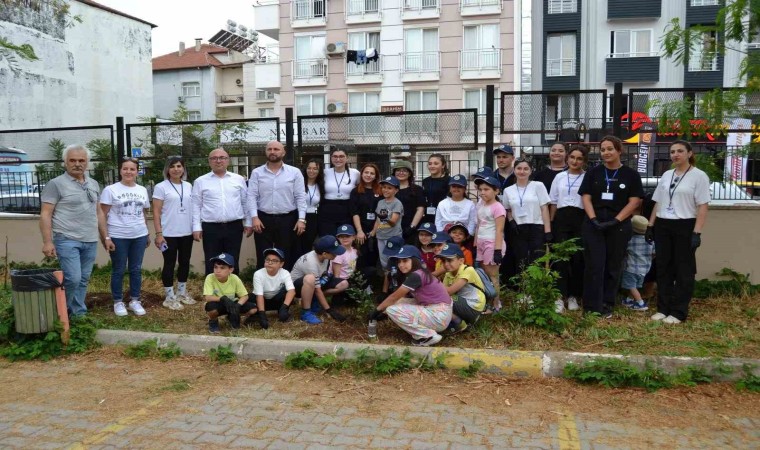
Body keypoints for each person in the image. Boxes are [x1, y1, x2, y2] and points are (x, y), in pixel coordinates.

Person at [578, 135, 643, 318]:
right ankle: (592, 305)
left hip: (618, 225)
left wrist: (616, 221)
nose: (606, 152)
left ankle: (607, 303)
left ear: (619, 150)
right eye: (603, 149)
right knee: (594, 264)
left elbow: (634, 201)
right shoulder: (593, 172)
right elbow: (586, 197)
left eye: (610, 149)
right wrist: (593, 219)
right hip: (594, 224)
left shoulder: (631, 175)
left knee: (613, 265)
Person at [39, 144, 107, 317]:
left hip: (90, 239)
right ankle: (60, 313)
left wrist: (105, 237)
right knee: (73, 278)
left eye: (81, 160)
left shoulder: (93, 183)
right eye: (73, 160)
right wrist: (47, 242)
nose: (77, 164)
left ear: (87, 162)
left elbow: (99, 212)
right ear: (65, 162)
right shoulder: (56, 184)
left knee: (83, 279)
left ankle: (77, 314)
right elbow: (46, 214)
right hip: (67, 239)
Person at [647, 140, 710, 324]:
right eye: (672, 151)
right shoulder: (667, 175)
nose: (675, 154)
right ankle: (663, 308)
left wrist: (696, 233)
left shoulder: (699, 176)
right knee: (663, 268)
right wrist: (650, 225)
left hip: (685, 225)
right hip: (663, 225)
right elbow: (658, 202)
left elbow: (703, 206)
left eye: (680, 151)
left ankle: (678, 311)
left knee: (684, 270)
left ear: (689, 153)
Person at [368, 245, 453, 347]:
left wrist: (377, 310)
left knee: (392, 309)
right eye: (399, 261)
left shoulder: (416, 275)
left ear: (415, 261)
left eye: (405, 261)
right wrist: (384, 313)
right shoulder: (419, 273)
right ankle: (426, 331)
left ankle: (427, 336)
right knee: (397, 303)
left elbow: (394, 297)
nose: (401, 265)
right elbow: (399, 299)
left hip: (439, 316)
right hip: (439, 312)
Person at [99, 158, 151, 317]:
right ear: (120, 170)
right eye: (125, 169)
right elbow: (102, 215)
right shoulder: (110, 190)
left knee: (136, 269)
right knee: (119, 269)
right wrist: (106, 237)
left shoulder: (142, 190)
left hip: (139, 235)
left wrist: (147, 233)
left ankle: (135, 300)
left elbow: (143, 213)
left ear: (137, 172)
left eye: (132, 169)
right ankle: (118, 301)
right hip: (118, 236)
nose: (128, 172)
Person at [248, 141, 307, 271]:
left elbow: (300, 196)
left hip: (288, 219)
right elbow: (251, 196)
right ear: (265, 152)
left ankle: (285, 281)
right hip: (263, 219)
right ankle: (262, 282)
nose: (272, 152)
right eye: (269, 149)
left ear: (283, 152)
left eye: (276, 149)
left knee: (286, 254)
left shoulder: (294, 172)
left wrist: (301, 219)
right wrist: (254, 217)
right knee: (263, 253)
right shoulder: (257, 173)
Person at [192, 148, 252, 275]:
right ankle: (211, 287)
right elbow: (196, 206)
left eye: (222, 158)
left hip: (234, 227)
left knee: (233, 260)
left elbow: (245, 202)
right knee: (212, 260)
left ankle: (233, 286)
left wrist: (248, 222)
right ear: (209, 161)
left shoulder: (238, 179)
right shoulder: (200, 181)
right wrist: (196, 227)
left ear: (228, 160)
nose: (218, 161)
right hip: (210, 228)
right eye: (214, 158)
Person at [152, 156, 196, 310]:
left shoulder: (189, 186)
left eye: (179, 166)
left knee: (185, 262)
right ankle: (169, 297)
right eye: (172, 166)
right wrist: (159, 234)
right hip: (168, 234)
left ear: (183, 169)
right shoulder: (161, 187)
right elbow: (156, 212)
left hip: (187, 232)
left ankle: (181, 293)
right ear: (167, 169)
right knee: (169, 263)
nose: (176, 169)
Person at [549, 145, 587, 313]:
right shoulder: (559, 177)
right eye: (572, 157)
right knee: (560, 259)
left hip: (580, 218)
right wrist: (551, 224)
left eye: (579, 158)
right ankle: (559, 296)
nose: (575, 161)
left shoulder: (587, 177)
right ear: (567, 158)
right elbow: (553, 202)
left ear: (584, 161)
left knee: (577, 259)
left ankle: (573, 296)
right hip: (561, 219)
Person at [502, 160, 552, 272]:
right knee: (521, 260)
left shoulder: (538, 186)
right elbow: (508, 209)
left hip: (537, 227)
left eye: (526, 169)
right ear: (514, 170)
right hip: (518, 228)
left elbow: (544, 208)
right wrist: (511, 221)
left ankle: (537, 283)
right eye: (519, 168)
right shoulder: (508, 190)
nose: (522, 171)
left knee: (538, 259)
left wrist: (547, 231)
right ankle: (521, 283)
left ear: (530, 171)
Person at [290, 235, 348, 325]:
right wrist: (329, 310)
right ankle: (305, 312)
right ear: (324, 253)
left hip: (315, 282)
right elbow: (317, 290)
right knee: (310, 278)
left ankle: (314, 300)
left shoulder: (324, 256)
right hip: (297, 288)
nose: (336, 254)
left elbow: (321, 278)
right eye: (334, 252)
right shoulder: (311, 262)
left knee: (344, 284)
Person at [473, 176, 506, 312]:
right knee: (484, 274)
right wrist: (475, 244)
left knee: (492, 275)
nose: (482, 192)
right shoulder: (481, 205)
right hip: (481, 242)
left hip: (492, 243)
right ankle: (487, 302)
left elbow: (499, 230)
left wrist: (497, 250)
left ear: (496, 191)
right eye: (480, 189)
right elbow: (479, 225)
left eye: (486, 189)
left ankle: (496, 304)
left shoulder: (498, 207)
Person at [438, 243, 486, 333]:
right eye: (443, 261)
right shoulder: (448, 274)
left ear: (461, 261)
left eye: (449, 260)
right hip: (462, 303)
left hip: (474, 307)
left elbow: (448, 292)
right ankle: (455, 321)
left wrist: (434, 282)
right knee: (438, 299)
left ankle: (459, 323)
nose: (446, 264)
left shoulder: (468, 270)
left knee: (442, 298)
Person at [203, 253, 255, 333]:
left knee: (253, 309)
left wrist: (238, 305)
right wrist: (222, 298)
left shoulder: (234, 278)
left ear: (230, 270)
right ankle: (213, 322)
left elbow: (245, 296)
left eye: (222, 268)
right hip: (218, 304)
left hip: (232, 303)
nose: (218, 271)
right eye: (215, 267)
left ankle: (231, 317)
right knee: (210, 307)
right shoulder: (210, 277)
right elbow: (208, 297)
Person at [351, 163, 382, 279]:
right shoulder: (356, 191)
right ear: (362, 174)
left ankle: (372, 285)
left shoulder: (381, 191)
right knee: (361, 258)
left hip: (376, 229)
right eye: (366, 172)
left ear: (376, 176)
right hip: (360, 229)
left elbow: (382, 212)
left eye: (372, 173)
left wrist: (374, 231)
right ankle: (360, 285)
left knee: (374, 258)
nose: (368, 175)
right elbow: (354, 212)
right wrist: (359, 231)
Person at [252, 248, 297, 329]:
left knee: (286, 292)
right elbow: (259, 295)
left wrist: (285, 307)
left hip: (277, 299)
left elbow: (291, 291)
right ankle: (258, 314)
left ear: (281, 264)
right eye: (267, 260)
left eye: (274, 261)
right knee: (251, 297)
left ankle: (282, 311)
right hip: (264, 300)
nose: (270, 263)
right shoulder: (258, 274)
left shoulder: (285, 273)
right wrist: (262, 314)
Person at [319, 147, 360, 236]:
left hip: (347, 210)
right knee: (328, 238)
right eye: (335, 156)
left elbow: (361, 187)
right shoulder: (325, 173)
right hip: (328, 209)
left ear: (347, 158)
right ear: (331, 158)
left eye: (341, 156)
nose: (338, 159)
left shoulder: (355, 173)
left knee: (345, 238)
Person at [369, 176, 404, 272]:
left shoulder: (397, 203)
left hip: (393, 236)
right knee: (384, 262)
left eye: (389, 188)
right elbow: (378, 220)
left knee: (394, 260)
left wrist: (385, 218)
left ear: (396, 190)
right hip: (381, 236)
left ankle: (395, 279)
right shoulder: (380, 202)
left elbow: (393, 222)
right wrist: (373, 232)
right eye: (384, 187)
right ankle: (386, 278)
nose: (385, 190)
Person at [621, 216, 655, 312]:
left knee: (631, 286)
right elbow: (654, 253)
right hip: (645, 269)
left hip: (631, 268)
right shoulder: (650, 241)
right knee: (635, 285)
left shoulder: (630, 240)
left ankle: (640, 303)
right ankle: (629, 300)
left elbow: (624, 251)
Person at [392, 160, 425, 242]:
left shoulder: (417, 189)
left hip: (411, 229)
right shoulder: (389, 189)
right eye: (398, 170)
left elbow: (420, 209)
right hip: (392, 229)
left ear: (409, 173)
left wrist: (412, 227)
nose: (401, 173)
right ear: (394, 173)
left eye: (404, 170)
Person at [299, 159, 324, 257]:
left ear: (319, 171)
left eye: (315, 168)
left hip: (313, 217)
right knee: (298, 244)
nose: (311, 171)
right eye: (309, 168)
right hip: (299, 217)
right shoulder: (299, 183)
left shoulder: (320, 185)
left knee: (308, 244)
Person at [421, 154, 451, 224]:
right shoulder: (425, 181)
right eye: (430, 164)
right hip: (428, 215)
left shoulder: (449, 180)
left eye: (436, 163)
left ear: (443, 165)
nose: (432, 166)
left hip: (444, 215)